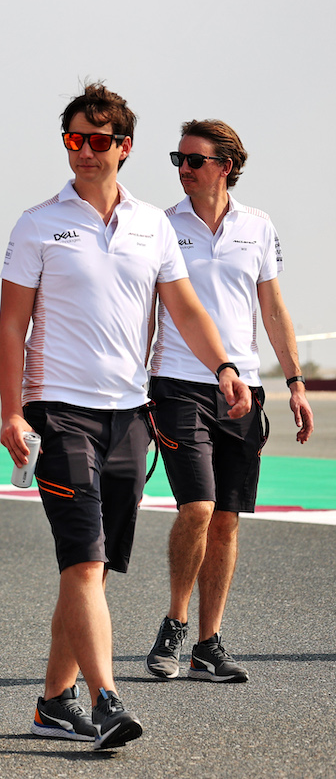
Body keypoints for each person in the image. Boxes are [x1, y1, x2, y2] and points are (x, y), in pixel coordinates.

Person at [0, 84, 251, 749]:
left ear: (124, 147)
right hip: (59, 412)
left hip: (129, 415)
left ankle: (54, 700)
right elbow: (11, 323)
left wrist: (224, 364)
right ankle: (106, 697)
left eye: (98, 140)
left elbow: (186, 308)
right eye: (73, 139)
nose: (84, 151)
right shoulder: (36, 223)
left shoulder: (152, 225)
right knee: (82, 562)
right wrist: (11, 409)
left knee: (95, 567)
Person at [144, 120, 314, 683]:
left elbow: (273, 310)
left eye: (193, 160)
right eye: (178, 159)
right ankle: (175, 624)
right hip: (176, 384)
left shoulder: (258, 226)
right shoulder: (161, 227)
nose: (182, 169)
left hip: (243, 390)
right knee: (195, 507)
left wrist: (293, 382)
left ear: (226, 165)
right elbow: (144, 311)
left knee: (226, 520)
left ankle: (208, 643)